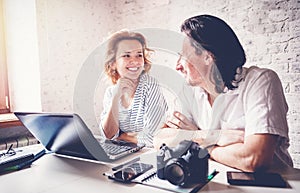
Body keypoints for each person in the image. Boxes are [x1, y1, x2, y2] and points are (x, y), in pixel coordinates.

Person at [155, 14, 293, 172]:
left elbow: (253, 159)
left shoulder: (261, 81)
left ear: (208, 57)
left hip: (272, 187)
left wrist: (204, 147)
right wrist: (214, 136)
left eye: (183, 56)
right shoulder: (189, 91)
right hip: (216, 180)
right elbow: (160, 139)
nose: (177, 66)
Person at [100, 30, 168, 147]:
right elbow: (108, 135)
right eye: (126, 55)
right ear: (113, 63)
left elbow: (152, 137)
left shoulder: (150, 86)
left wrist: (122, 136)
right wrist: (116, 97)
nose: (135, 61)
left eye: (139, 55)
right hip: (125, 153)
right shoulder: (111, 92)